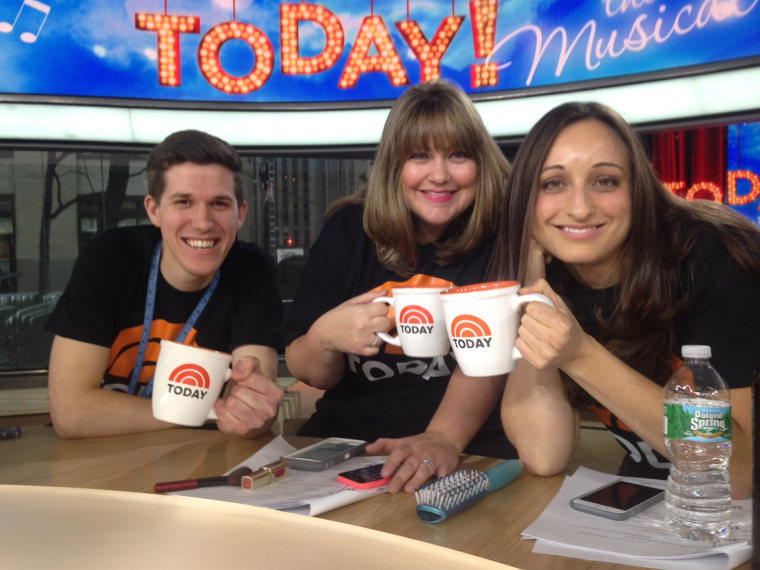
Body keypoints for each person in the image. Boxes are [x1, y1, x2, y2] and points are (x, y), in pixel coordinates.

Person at [494, 101, 760, 498]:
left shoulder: (716, 257)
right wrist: (534, 292)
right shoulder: (555, 281)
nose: (580, 208)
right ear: (525, 204)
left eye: (605, 181)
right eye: (553, 184)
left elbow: (738, 473)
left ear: (639, 190)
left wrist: (580, 354)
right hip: (647, 506)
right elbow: (542, 455)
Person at [283, 80, 515, 492]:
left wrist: (443, 437)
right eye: (419, 155)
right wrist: (324, 338)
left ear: (481, 162)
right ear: (393, 165)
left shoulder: (504, 235)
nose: (439, 175)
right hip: (351, 443)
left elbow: (487, 364)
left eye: (458, 154)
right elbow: (309, 370)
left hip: (471, 447)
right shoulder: (347, 230)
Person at [46, 129, 284, 439]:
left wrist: (254, 411)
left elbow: (251, 415)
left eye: (219, 204)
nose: (203, 222)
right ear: (154, 210)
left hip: (194, 461)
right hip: (97, 458)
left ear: (240, 215)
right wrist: (198, 411)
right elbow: (71, 414)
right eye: (184, 201)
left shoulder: (252, 271)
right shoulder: (109, 260)